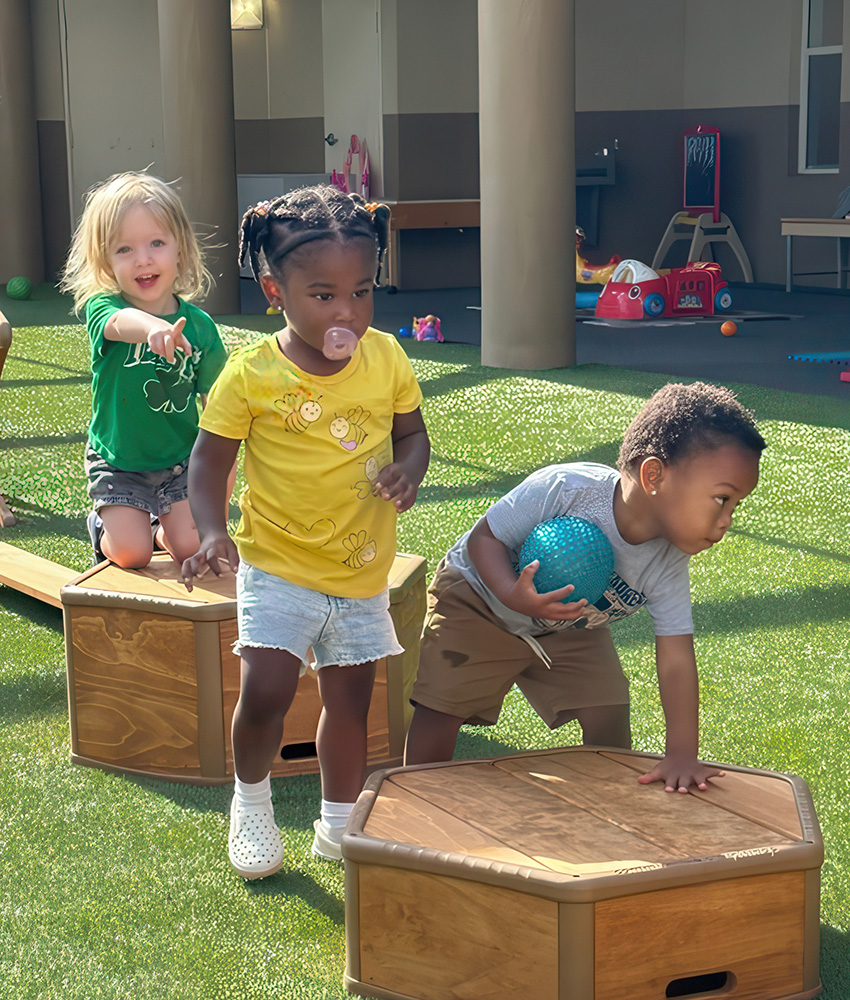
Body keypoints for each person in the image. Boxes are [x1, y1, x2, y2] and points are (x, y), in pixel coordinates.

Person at [181, 185, 430, 878]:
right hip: (279, 564)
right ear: (274, 290)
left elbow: (413, 436)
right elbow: (208, 463)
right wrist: (210, 531)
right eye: (324, 295)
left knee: (350, 704)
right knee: (267, 691)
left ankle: (337, 826)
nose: (347, 311)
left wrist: (409, 471)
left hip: (359, 572)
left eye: (363, 290)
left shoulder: (387, 359)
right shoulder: (251, 375)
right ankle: (251, 800)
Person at [405, 381, 765, 794]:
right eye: (722, 499)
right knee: (439, 709)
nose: (728, 520)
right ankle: (415, 800)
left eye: (736, 505)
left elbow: (676, 658)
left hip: (568, 628)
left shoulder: (668, 562)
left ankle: (608, 806)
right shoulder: (568, 489)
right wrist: (510, 593)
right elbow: (484, 539)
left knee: (609, 710)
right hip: (479, 601)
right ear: (654, 476)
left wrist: (682, 752)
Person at [60, 171, 228, 569]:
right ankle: (108, 528)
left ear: (180, 249)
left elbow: (220, 407)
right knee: (132, 556)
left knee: (190, 548)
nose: (144, 259)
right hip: (118, 462)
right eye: (125, 249)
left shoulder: (200, 327)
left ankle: (158, 527)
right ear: (106, 260)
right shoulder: (105, 308)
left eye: (156, 243)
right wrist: (154, 328)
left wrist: (219, 481)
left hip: (179, 462)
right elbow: (120, 326)